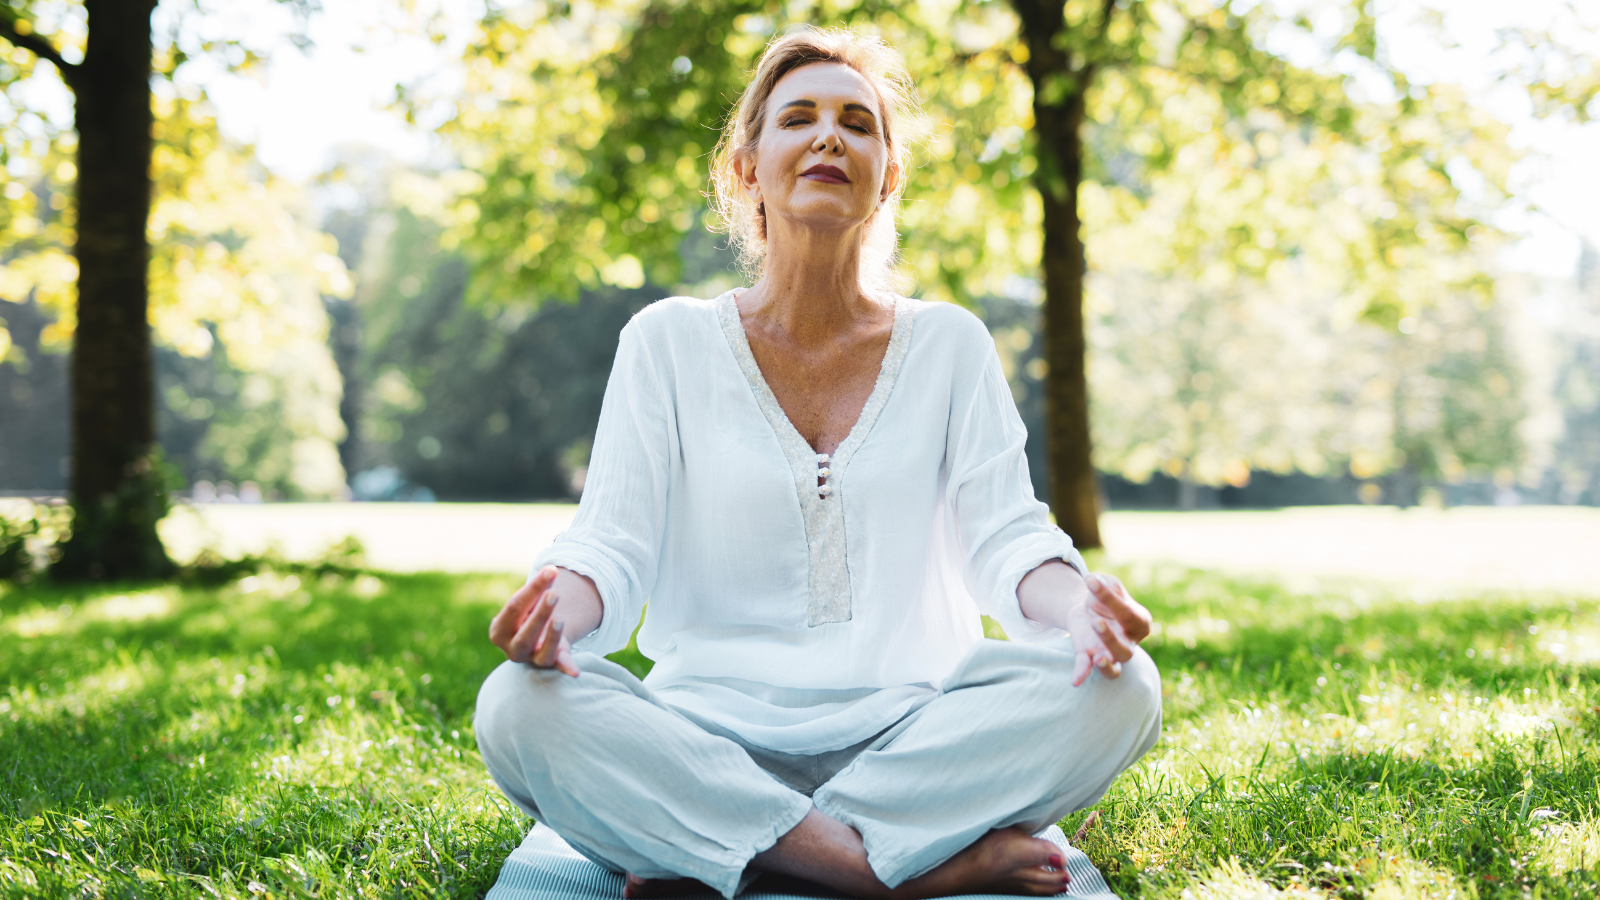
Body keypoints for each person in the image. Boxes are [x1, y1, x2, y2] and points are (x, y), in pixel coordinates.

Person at [474, 27, 1162, 900]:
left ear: (889, 174)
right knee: (515, 705)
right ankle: (893, 872)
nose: (830, 137)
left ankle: (726, 852)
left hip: (913, 739)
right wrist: (554, 612)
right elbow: (610, 544)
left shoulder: (950, 343)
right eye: (798, 117)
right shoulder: (666, 342)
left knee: (1124, 688)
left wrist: (1079, 606)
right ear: (747, 167)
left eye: (858, 123)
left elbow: (1008, 539)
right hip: (703, 738)